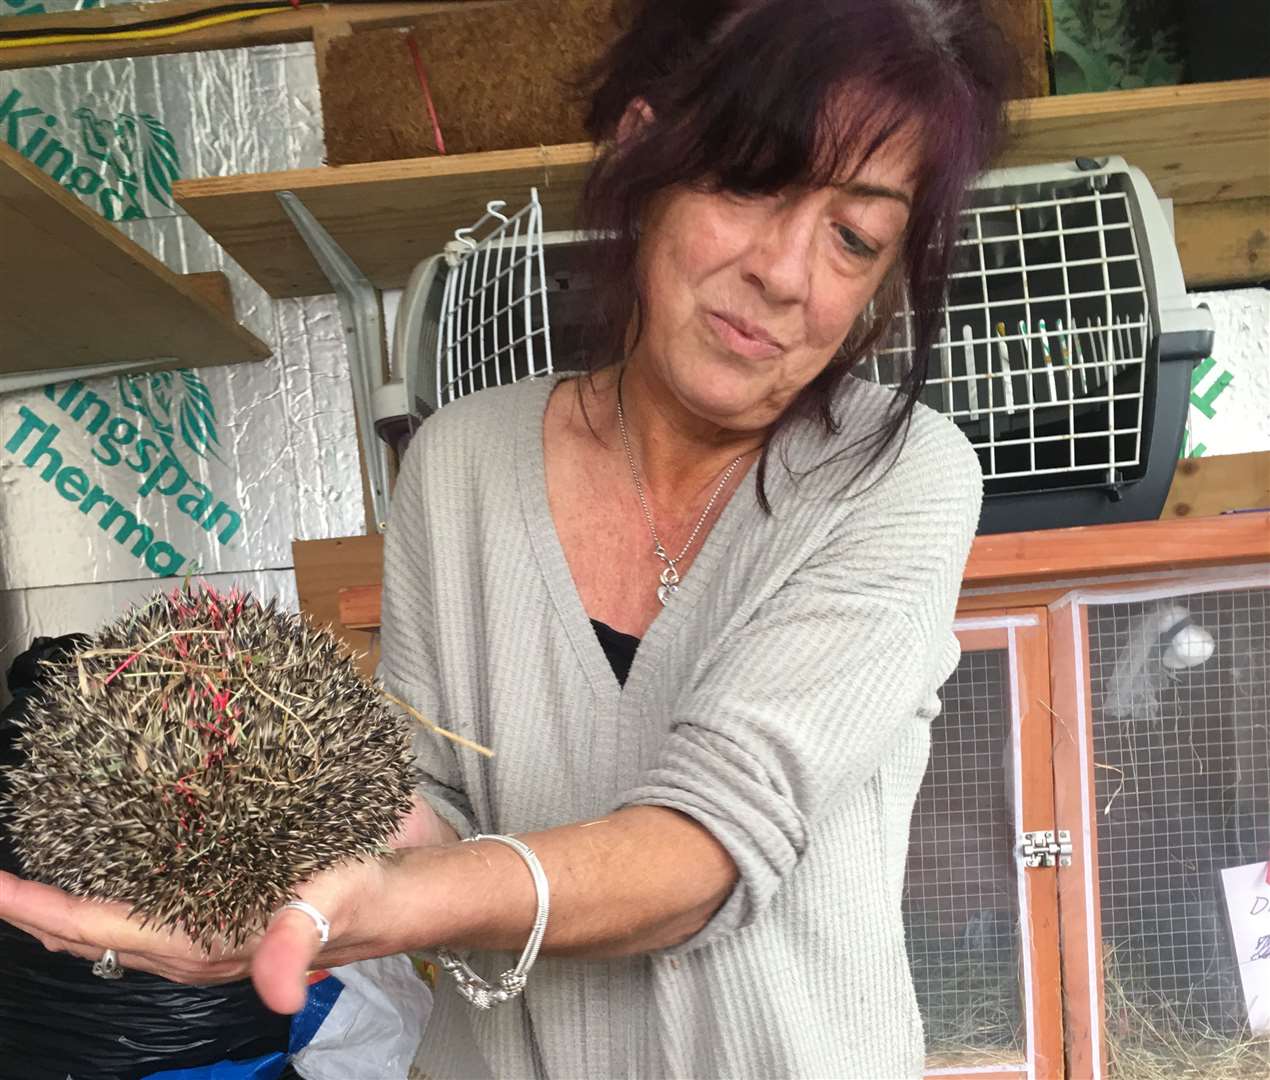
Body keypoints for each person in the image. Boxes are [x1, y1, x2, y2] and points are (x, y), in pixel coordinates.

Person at [0, 1, 1012, 1076]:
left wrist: (385, 908)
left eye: (854, 238)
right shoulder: (461, 459)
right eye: (752, 181)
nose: (788, 273)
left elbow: (709, 847)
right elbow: (429, 800)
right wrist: (263, 852)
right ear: (643, 149)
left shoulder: (899, 476)